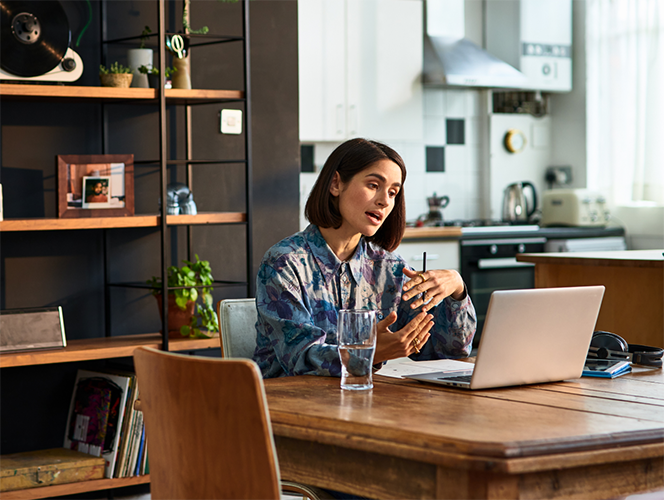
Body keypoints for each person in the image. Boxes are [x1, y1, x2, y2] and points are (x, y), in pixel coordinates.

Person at [253, 138, 476, 379]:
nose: (385, 200)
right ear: (336, 184)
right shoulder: (285, 263)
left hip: (363, 405)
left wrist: (457, 289)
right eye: (373, 185)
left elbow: (448, 353)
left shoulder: (391, 269)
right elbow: (301, 358)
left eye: (393, 192)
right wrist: (371, 352)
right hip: (287, 406)